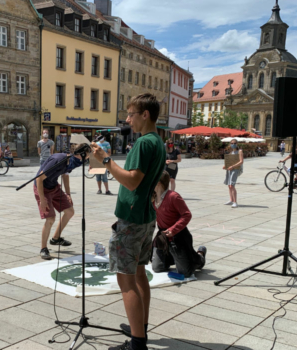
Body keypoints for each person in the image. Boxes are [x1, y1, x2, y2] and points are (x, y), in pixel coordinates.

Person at [91, 93, 166, 350]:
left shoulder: (144, 143)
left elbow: (132, 180)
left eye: (130, 114)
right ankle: (140, 328)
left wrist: (105, 160)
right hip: (145, 217)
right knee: (139, 273)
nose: (127, 119)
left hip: (132, 219)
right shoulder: (157, 141)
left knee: (126, 280)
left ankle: (137, 343)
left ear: (145, 114)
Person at [151, 171, 206, 276]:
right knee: (157, 268)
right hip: (163, 236)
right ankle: (175, 257)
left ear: (158, 183)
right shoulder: (153, 197)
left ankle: (200, 257)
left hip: (178, 236)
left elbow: (187, 215)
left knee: (185, 272)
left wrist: (173, 230)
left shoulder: (173, 196)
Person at [35, 150, 86, 260]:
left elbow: (65, 176)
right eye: (83, 158)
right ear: (76, 155)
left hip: (54, 186)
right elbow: (39, 178)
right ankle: (43, 248)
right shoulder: (57, 160)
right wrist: (42, 199)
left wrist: (68, 193)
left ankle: (56, 238)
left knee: (70, 211)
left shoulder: (71, 162)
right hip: (42, 188)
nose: (83, 161)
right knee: (50, 218)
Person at [223, 139, 244, 208]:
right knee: (229, 185)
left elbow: (241, 161)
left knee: (232, 185)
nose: (233, 144)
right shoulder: (231, 152)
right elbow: (229, 161)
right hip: (230, 169)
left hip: (236, 169)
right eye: (231, 143)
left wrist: (233, 166)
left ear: (237, 144)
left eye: (234, 143)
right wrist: (225, 166)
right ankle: (231, 200)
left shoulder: (239, 151)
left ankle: (235, 202)